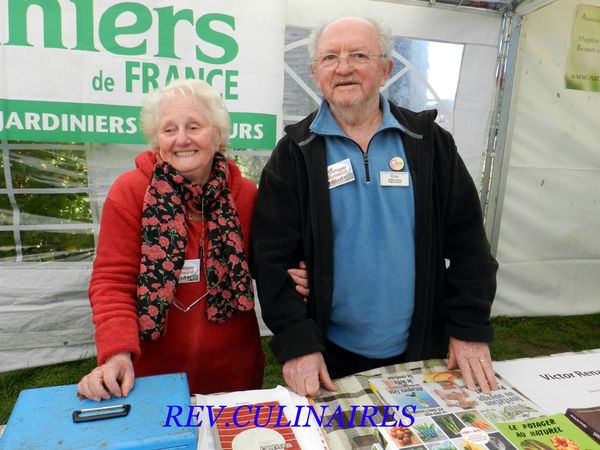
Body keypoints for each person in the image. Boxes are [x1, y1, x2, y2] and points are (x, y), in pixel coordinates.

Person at [251, 16, 499, 397]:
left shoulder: (429, 143)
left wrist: (468, 329)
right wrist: (297, 344)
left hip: (424, 348)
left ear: (385, 69)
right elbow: (271, 261)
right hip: (331, 357)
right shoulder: (294, 154)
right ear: (317, 72)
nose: (344, 67)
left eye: (359, 55)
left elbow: (469, 246)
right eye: (330, 57)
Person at [77, 79, 308, 401]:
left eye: (194, 127)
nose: (181, 139)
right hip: (151, 375)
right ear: (157, 140)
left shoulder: (246, 195)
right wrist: (117, 353)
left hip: (234, 372)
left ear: (218, 136)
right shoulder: (130, 192)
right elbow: (112, 281)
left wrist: (295, 275)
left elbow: (268, 266)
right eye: (169, 130)